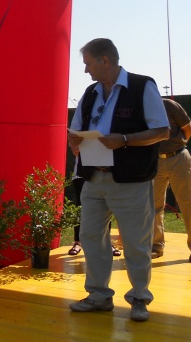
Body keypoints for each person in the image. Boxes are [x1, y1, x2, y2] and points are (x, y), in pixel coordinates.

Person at [67, 38, 168, 322]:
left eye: (88, 63)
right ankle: (99, 296)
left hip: (131, 181)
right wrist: (74, 141)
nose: (85, 70)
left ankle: (139, 298)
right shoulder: (90, 93)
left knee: (136, 242)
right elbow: (75, 131)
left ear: (105, 60)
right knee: (90, 238)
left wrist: (124, 139)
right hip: (93, 178)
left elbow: (162, 131)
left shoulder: (142, 86)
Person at [152, 98, 191, 263]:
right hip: (154, 162)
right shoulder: (141, 108)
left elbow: (188, 129)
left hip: (179, 159)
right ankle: (156, 246)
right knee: (153, 206)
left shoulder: (169, 105)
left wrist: (177, 146)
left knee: (189, 204)